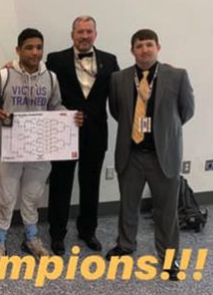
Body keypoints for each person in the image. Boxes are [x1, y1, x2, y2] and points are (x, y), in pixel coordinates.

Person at [0, 28, 84, 261]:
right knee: (6, 196)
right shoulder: (3, 76)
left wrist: (69, 116)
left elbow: (55, 106)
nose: (35, 52)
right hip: (10, 149)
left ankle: (31, 237)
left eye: (39, 47)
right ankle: (0, 241)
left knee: (32, 196)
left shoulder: (51, 77)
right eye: (29, 47)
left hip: (40, 149)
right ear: (18, 50)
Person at [106, 29, 195, 281]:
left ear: (158, 47)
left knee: (166, 210)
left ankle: (169, 258)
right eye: (139, 45)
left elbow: (186, 111)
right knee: (128, 205)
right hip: (131, 153)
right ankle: (125, 245)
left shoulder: (177, 76)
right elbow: (117, 111)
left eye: (149, 44)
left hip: (163, 155)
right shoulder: (118, 79)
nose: (144, 49)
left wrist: (163, 132)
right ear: (132, 50)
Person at [46, 16, 120, 255]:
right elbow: (39, 82)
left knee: (91, 185)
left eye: (89, 31)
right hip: (64, 132)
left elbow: (121, 92)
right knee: (60, 184)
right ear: (72, 35)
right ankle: (57, 234)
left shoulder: (110, 60)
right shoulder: (55, 60)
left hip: (96, 132)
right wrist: (10, 66)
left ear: (95, 34)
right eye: (80, 32)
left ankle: (88, 230)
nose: (84, 36)